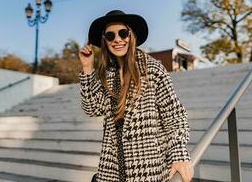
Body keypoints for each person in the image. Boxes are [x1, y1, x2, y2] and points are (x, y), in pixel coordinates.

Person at [79, 10, 194, 182]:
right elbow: (91, 108)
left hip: (148, 169)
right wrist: (88, 69)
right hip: (111, 171)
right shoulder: (106, 75)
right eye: (110, 36)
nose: (117, 39)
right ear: (105, 41)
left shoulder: (152, 69)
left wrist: (179, 154)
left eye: (123, 33)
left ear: (131, 36)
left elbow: (175, 116)